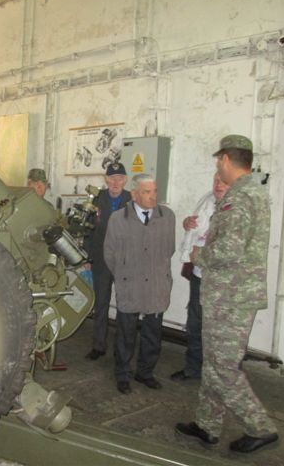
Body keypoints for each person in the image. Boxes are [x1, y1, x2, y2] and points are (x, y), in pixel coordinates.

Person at [175, 135, 279, 453]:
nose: (217, 170)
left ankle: (260, 427)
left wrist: (199, 255)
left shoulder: (241, 196)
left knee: (222, 367)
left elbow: (229, 250)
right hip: (230, 294)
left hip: (231, 297)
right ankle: (207, 424)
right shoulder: (251, 192)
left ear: (224, 160)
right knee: (214, 363)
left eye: (217, 162)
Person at [103, 174, 175, 394]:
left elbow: (169, 249)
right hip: (130, 284)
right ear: (134, 194)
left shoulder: (167, 216)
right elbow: (109, 253)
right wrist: (124, 274)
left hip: (156, 284)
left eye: (154, 191)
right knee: (125, 333)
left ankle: (145, 373)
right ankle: (123, 374)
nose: (152, 196)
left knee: (152, 334)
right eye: (146, 192)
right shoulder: (118, 219)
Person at [170, 172, 228, 381]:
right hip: (199, 275)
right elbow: (197, 229)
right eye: (215, 180)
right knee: (195, 324)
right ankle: (193, 368)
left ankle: (218, 377)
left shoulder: (237, 208)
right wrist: (187, 223)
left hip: (221, 281)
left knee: (219, 330)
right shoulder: (207, 200)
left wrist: (200, 254)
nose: (218, 184)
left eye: (223, 181)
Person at [83, 163, 131, 360]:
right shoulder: (96, 199)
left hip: (124, 262)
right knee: (100, 304)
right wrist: (87, 257)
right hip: (101, 260)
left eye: (120, 178)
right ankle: (99, 345)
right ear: (106, 180)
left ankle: (121, 348)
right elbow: (87, 229)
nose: (115, 182)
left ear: (125, 180)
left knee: (124, 306)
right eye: (112, 178)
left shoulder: (132, 200)